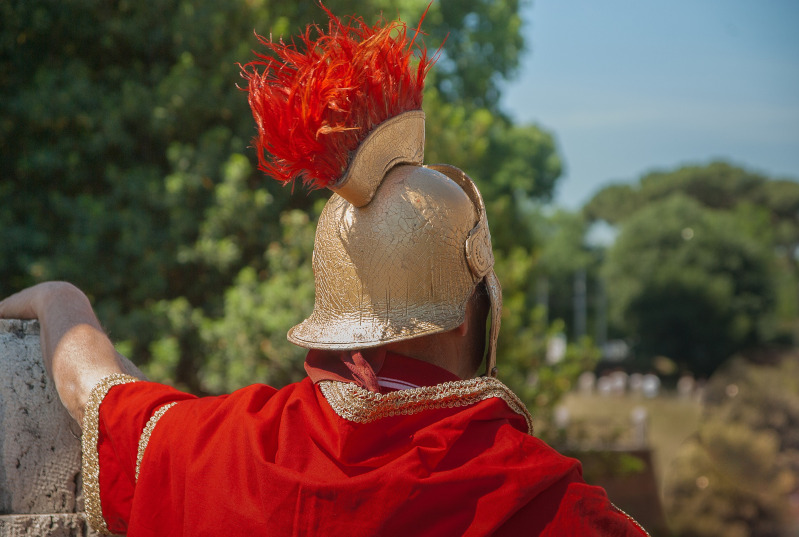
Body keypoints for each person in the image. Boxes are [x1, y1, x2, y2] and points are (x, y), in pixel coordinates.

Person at [0, 8, 648, 537]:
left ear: (336, 312)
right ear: (468, 311)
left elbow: (94, 391)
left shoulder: (225, 449)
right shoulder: (545, 503)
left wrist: (59, 295)